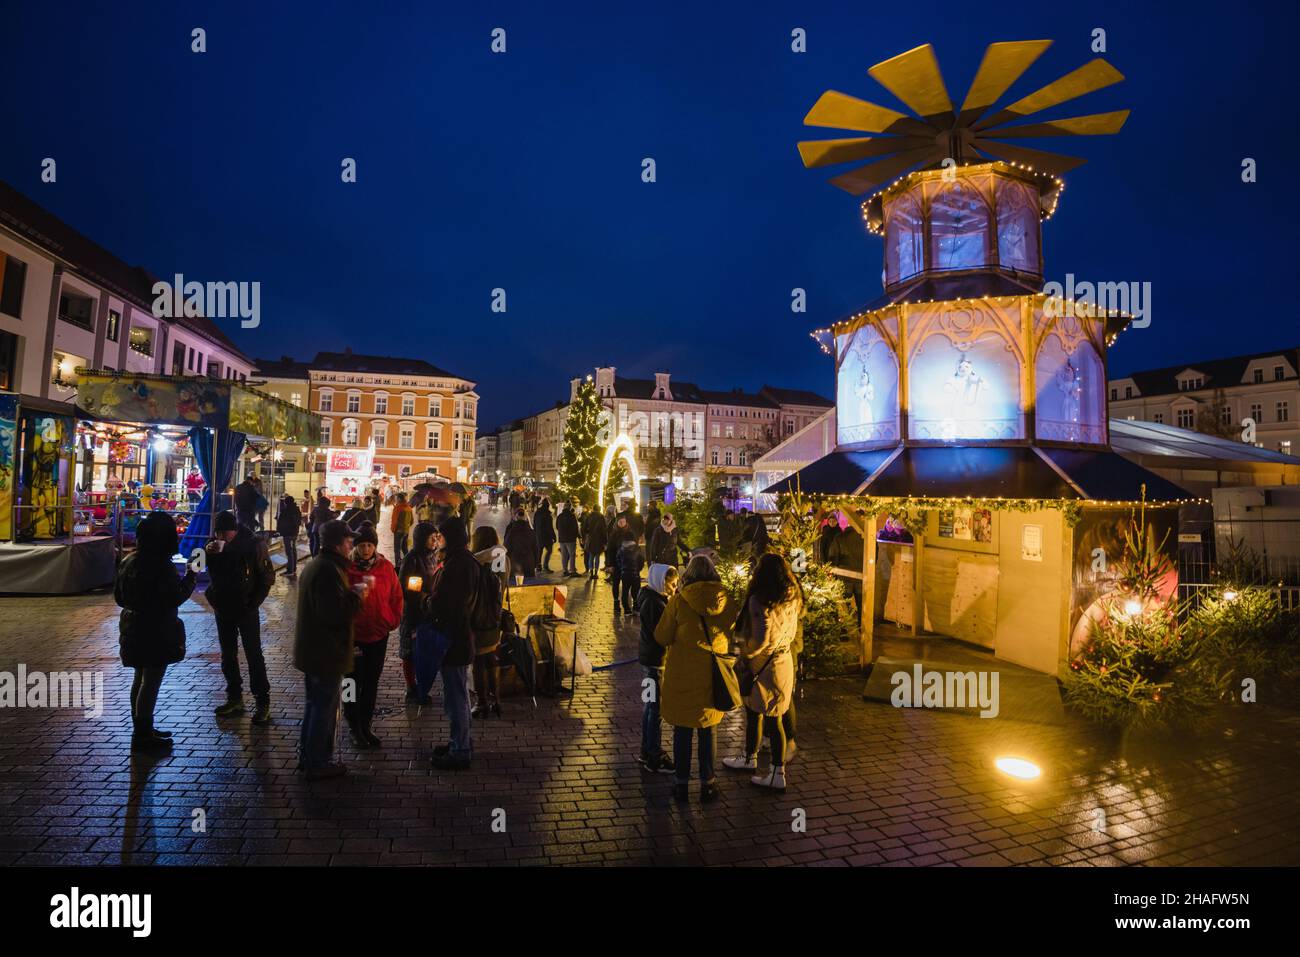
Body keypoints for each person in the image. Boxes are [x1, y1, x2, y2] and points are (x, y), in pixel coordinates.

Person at [654, 554, 737, 803]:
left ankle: (681, 785)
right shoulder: (727, 601)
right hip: (713, 675)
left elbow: (661, 636)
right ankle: (708, 784)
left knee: (682, 730)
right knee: (708, 729)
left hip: (682, 676)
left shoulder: (679, 602)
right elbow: (732, 631)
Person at [116, 511, 196, 753]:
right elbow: (175, 597)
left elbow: (118, 596)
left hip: (132, 624)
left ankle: (142, 727)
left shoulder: (128, 561)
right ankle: (143, 735)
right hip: (156, 628)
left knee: (139, 678)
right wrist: (191, 576)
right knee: (151, 681)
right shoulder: (162, 566)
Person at [721, 553, 802, 790]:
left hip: (765, 665)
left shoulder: (761, 600)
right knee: (763, 712)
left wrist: (746, 653)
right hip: (784, 660)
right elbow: (792, 629)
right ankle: (751, 758)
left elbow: (761, 639)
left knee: (768, 717)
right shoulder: (792, 596)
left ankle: (776, 772)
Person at [294, 519, 364, 778]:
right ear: (338, 544)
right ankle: (317, 762)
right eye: (348, 541)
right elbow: (334, 614)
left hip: (315, 649)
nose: (351, 546)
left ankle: (310, 757)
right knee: (323, 707)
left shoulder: (320, 565)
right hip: (324, 651)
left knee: (316, 705)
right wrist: (356, 596)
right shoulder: (328, 570)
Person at [205, 510, 275, 724]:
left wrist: (253, 604)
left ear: (234, 531)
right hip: (223, 607)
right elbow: (198, 567)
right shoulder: (213, 545)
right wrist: (205, 552)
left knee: (254, 655)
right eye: (217, 533)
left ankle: (262, 702)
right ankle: (234, 697)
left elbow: (266, 577)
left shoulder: (253, 545)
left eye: (224, 533)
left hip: (246, 609)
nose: (220, 538)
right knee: (228, 654)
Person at [422, 517, 479, 770]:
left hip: (453, 639)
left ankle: (460, 750)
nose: (437, 540)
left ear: (452, 538)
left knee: (456, 697)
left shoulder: (459, 565)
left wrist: (427, 601)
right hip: (458, 637)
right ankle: (459, 741)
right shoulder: (460, 561)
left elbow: (448, 604)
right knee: (457, 695)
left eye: (441, 536)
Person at [343, 522, 403, 748]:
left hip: (378, 635)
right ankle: (352, 721)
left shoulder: (385, 567)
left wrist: (392, 619)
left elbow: (396, 596)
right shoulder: (347, 568)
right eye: (362, 545)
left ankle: (365, 724)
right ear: (355, 547)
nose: (366, 549)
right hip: (353, 636)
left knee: (371, 682)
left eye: (370, 545)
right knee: (350, 681)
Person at [636, 563, 679, 773]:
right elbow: (662, 634)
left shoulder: (651, 597)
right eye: (671, 584)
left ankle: (646, 750)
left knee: (649, 707)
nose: (674, 588)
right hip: (655, 663)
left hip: (648, 661)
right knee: (655, 709)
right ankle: (654, 755)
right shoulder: (655, 603)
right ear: (660, 582)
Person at [397, 521, 439, 704]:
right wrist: (423, 596)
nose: (435, 541)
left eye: (436, 538)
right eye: (432, 538)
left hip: (428, 611)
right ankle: (411, 687)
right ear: (422, 539)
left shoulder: (433, 556)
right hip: (414, 612)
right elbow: (408, 587)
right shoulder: (412, 558)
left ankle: (421, 685)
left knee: (424, 651)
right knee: (410, 651)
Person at [470, 525, 506, 718]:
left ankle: (482, 701)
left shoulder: (475, 561)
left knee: (479, 661)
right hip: (495, 616)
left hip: (479, 617)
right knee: (492, 658)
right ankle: (496, 701)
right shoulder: (501, 556)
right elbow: (502, 583)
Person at [606, 515, 631, 615]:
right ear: (617, 523)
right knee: (616, 583)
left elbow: (634, 548)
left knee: (626, 584)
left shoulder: (630, 533)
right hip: (616, 563)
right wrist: (609, 564)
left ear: (626, 522)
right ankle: (616, 602)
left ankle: (625, 603)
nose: (621, 523)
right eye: (620, 521)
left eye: (623, 521)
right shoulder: (614, 534)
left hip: (627, 563)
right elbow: (610, 550)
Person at [503, 507, 539, 579]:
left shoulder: (511, 531)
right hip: (529, 562)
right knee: (529, 585)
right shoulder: (531, 531)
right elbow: (536, 548)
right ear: (525, 517)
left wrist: (506, 563)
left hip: (515, 562)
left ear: (515, 517)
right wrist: (535, 563)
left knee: (515, 586)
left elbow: (506, 547)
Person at [617, 529, 645, 616]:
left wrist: (622, 568)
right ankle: (636, 608)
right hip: (635, 573)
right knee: (636, 591)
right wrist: (638, 569)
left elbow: (618, 559)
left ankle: (626, 610)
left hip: (625, 573)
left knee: (625, 591)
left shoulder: (621, 548)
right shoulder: (637, 548)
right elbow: (641, 560)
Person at [276, 493, 303, 578]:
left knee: (289, 551)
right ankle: (293, 568)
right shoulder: (296, 509)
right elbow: (299, 521)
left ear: (286, 503)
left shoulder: (286, 511)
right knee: (293, 550)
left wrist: (279, 531)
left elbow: (281, 522)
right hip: (295, 532)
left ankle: (290, 570)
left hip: (287, 533)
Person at [581, 503, 607, 580]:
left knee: (591, 556)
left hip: (590, 539)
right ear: (599, 509)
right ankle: (596, 573)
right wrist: (605, 541)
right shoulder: (601, 517)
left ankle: (591, 572)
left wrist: (586, 535)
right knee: (597, 556)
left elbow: (584, 528)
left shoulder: (589, 516)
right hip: (599, 539)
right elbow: (603, 530)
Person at [556, 502, 580, 577]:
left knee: (564, 555)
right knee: (572, 555)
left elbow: (557, 527)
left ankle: (565, 570)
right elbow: (575, 527)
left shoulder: (559, 516)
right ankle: (572, 570)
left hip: (562, 539)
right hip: (570, 539)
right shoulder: (572, 516)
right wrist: (578, 536)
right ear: (569, 507)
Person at [390, 491, 414, 566]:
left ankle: (397, 564)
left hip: (398, 532)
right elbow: (412, 521)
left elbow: (394, 521)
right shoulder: (409, 508)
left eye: (396, 498)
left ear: (399, 499)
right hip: (406, 531)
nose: (396, 499)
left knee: (397, 549)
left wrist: (393, 529)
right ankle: (409, 562)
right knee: (404, 548)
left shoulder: (398, 508)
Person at [534, 498, 556, 573]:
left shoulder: (537, 513)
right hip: (546, 537)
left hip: (538, 535)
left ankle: (538, 566)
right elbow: (549, 527)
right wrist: (554, 536)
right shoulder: (548, 515)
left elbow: (534, 524)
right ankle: (545, 566)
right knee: (549, 550)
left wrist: (535, 533)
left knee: (539, 551)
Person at [309, 491, 334, 557]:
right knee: (324, 544)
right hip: (323, 529)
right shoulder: (327, 510)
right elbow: (330, 520)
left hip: (315, 528)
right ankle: (322, 558)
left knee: (316, 544)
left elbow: (311, 517)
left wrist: (314, 523)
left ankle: (314, 557)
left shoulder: (315, 509)